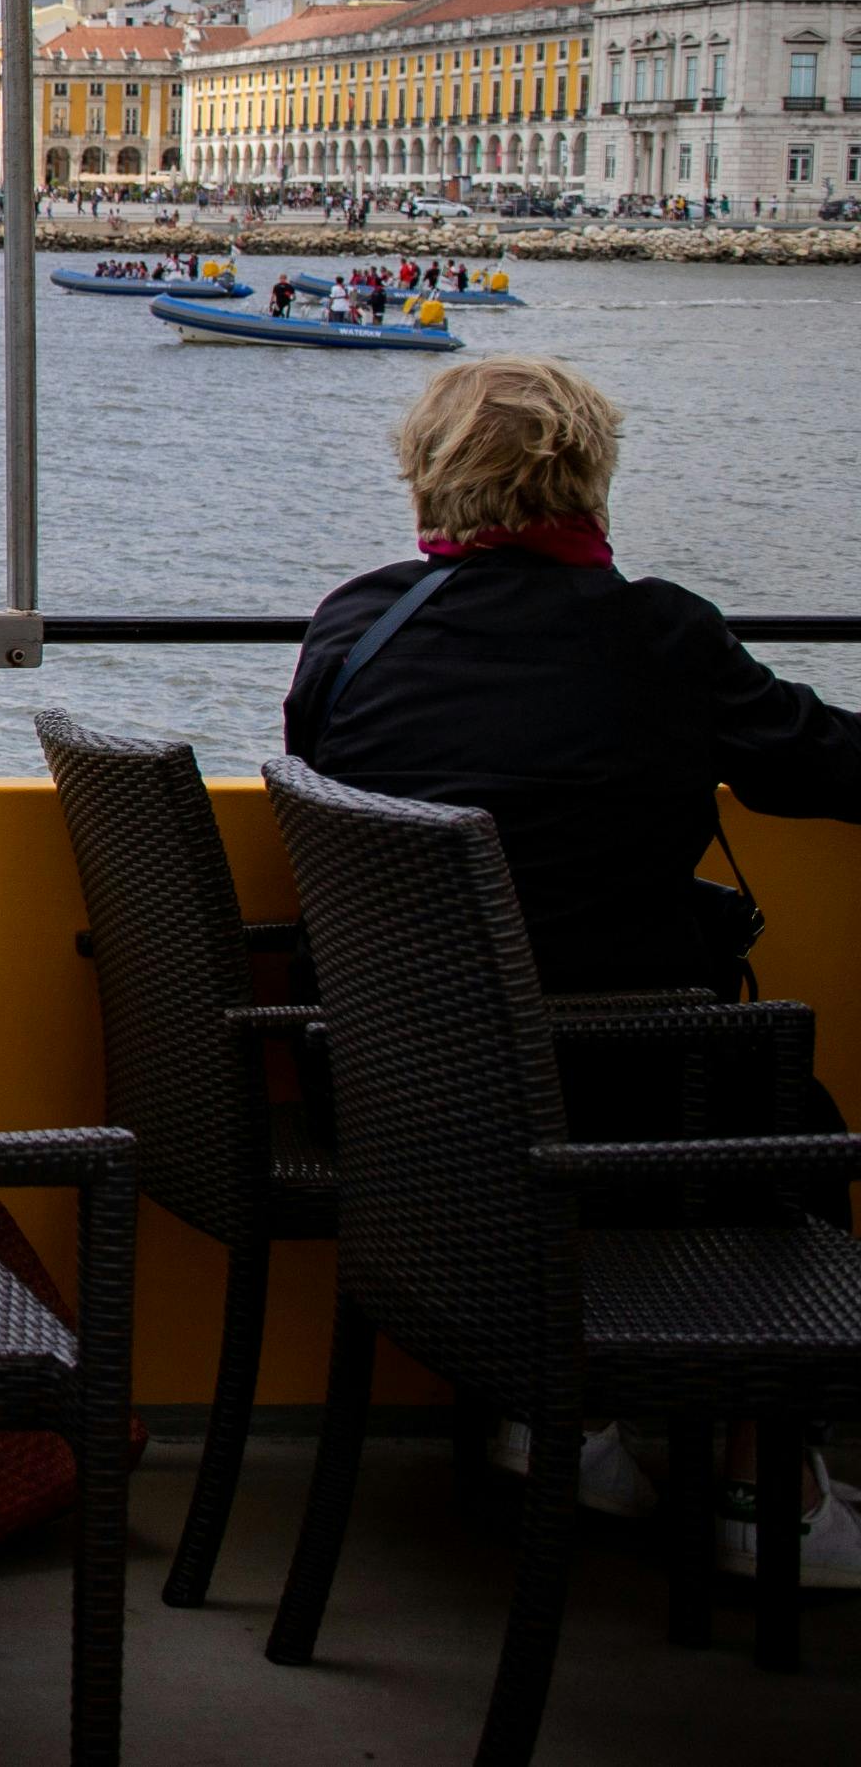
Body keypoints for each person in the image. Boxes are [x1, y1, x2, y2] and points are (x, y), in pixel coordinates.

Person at [289, 353, 861, 1577]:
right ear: (588, 479)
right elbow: (822, 765)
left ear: (428, 482)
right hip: (621, 1097)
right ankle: (770, 1492)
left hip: (388, 1100)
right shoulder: (658, 636)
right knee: (786, 1104)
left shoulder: (353, 626)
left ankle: (547, 1410)